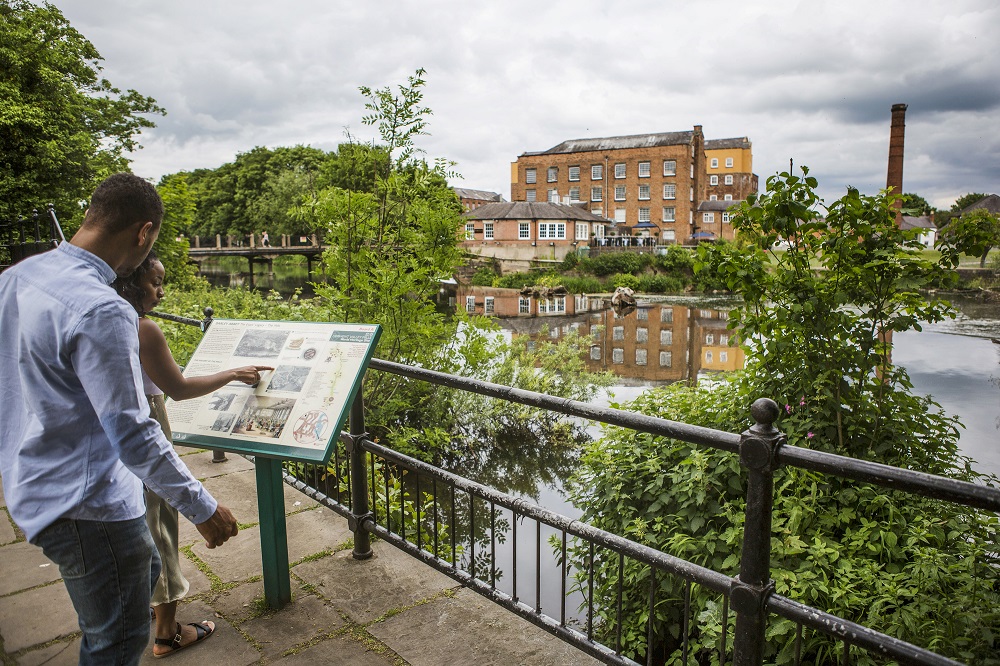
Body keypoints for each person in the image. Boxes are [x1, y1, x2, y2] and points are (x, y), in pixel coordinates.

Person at [0, 173, 240, 665]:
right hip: (90, 505)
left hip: (33, 485)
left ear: (92, 214)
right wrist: (203, 507)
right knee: (115, 640)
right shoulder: (102, 309)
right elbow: (132, 432)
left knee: (132, 588)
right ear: (143, 233)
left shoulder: (18, 277)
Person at [113, 252, 272, 657]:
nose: (161, 291)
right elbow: (179, 388)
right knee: (160, 522)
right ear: (133, 283)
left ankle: (149, 605)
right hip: (146, 418)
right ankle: (167, 632)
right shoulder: (143, 328)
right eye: (155, 282)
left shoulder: (106, 318)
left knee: (135, 518)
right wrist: (233, 373)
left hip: (112, 429)